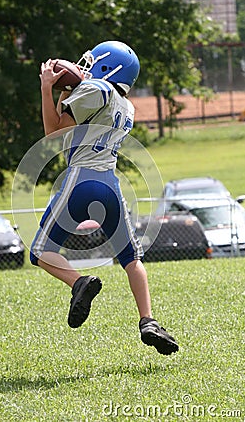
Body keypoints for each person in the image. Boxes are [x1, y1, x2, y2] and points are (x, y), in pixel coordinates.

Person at [30, 40, 179, 355]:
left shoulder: (97, 88)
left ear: (107, 67)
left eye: (93, 61)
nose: (86, 66)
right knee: (131, 259)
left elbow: (53, 135)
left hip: (81, 179)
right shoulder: (126, 106)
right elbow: (71, 122)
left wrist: (47, 90)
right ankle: (148, 320)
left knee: (41, 252)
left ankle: (78, 283)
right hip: (111, 185)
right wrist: (66, 94)